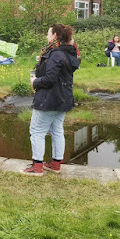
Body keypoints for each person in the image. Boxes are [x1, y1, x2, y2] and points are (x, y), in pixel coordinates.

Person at [21, 24, 79, 176]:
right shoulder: (68, 53)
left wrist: (35, 82)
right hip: (63, 98)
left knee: (36, 131)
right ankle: (55, 164)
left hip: (49, 99)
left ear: (54, 36)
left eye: (48, 34)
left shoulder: (55, 54)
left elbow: (50, 79)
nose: (46, 37)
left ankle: (37, 166)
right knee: (57, 130)